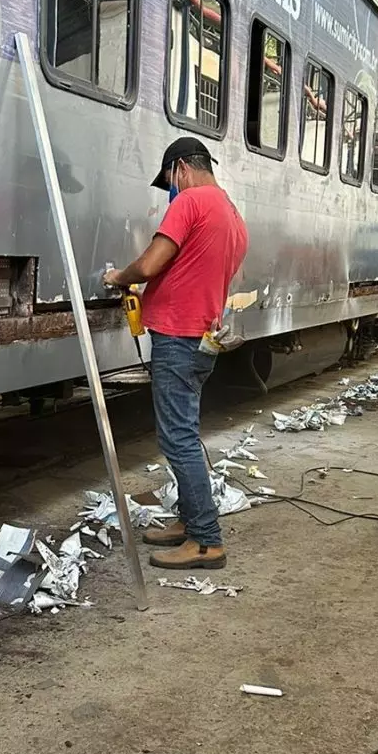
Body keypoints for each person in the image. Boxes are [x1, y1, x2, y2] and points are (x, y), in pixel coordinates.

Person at [103, 138, 249, 570]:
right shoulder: (233, 215)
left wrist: (118, 277)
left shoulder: (190, 202)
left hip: (178, 338)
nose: (170, 188)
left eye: (168, 180)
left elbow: (150, 265)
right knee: (184, 432)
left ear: (181, 167)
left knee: (178, 439)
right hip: (202, 338)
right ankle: (190, 522)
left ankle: (206, 540)